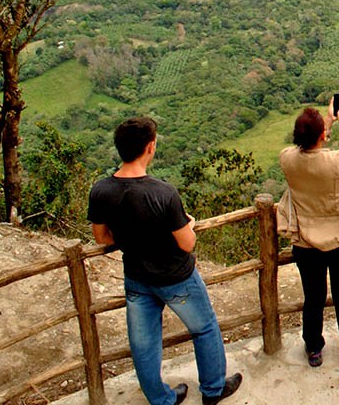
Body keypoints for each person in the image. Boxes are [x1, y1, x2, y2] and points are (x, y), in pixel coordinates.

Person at [88, 117, 242, 405]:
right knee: (204, 328)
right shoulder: (163, 192)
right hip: (176, 278)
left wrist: (131, 235)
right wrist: (187, 224)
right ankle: (213, 389)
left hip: (136, 277)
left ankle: (162, 400)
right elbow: (187, 243)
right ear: (150, 147)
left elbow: (102, 237)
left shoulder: (101, 191)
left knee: (144, 347)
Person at [279, 103, 339, 369]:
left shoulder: (287, 159)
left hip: (306, 242)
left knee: (314, 296)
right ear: (321, 136)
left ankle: (313, 348)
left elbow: (307, 151)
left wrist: (326, 126)